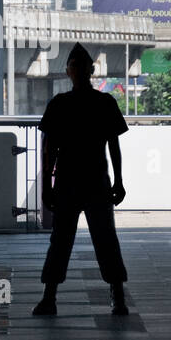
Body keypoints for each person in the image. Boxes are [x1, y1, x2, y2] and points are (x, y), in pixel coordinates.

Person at [32, 43, 131, 317]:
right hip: (91, 180)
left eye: (79, 65)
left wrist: (47, 187)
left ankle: (50, 298)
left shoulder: (60, 104)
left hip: (72, 181)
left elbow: (49, 149)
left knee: (64, 240)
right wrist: (117, 180)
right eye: (75, 65)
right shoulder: (104, 103)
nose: (77, 69)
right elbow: (112, 146)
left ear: (87, 70)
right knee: (101, 238)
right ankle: (117, 296)